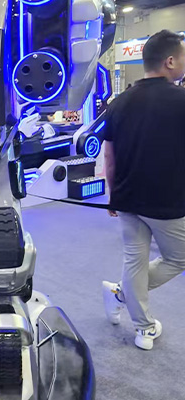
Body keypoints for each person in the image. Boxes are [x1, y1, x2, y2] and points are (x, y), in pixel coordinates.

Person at [100, 30, 185, 350]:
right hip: (166, 201)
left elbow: (109, 156)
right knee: (178, 258)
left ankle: (141, 324)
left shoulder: (119, 102)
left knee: (135, 262)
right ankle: (125, 298)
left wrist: (113, 195)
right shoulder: (182, 101)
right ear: (170, 61)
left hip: (127, 197)